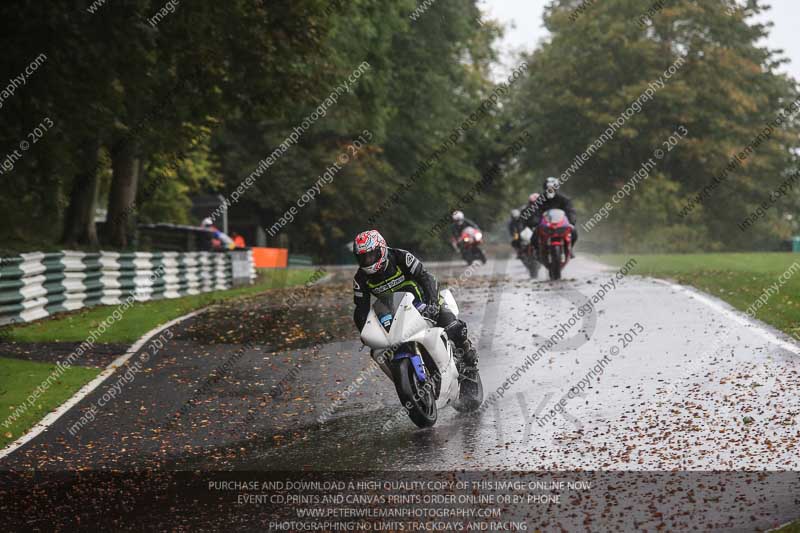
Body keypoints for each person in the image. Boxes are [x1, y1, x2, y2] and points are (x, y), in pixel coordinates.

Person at [352, 230, 479, 378]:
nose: (368, 260)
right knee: (378, 350)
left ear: (382, 249)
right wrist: (365, 332)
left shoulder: (401, 257)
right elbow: (361, 308)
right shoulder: (360, 279)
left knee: (451, 324)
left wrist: (433, 303)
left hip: (424, 301)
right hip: (394, 314)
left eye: (371, 255)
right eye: (363, 257)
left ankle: (467, 352)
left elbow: (426, 277)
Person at [537, 176, 578, 256]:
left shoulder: (564, 199)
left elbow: (570, 211)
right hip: (545, 224)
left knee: (573, 232)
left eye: (553, 187)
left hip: (561, 224)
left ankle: (570, 248)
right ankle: (537, 251)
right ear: (545, 188)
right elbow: (536, 212)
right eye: (548, 188)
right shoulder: (540, 200)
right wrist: (536, 222)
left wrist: (571, 222)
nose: (550, 190)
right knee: (534, 234)